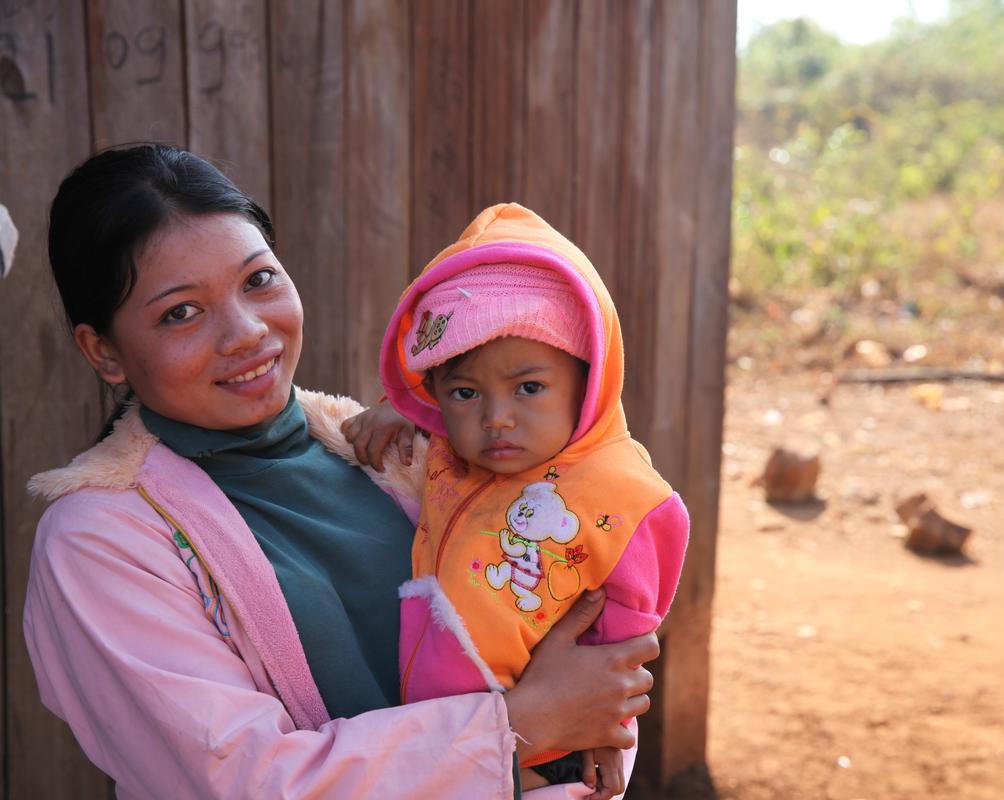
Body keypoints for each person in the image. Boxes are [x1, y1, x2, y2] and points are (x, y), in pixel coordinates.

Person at [22, 144, 657, 799]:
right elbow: (242, 781)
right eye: (181, 311)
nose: (245, 332)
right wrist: (522, 724)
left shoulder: (400, 454)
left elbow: (582, 624)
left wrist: (593, 718)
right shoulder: (99, 543)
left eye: (257, 280)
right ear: (104, 353)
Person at [343, 204, 689, 797]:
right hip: (429, 740)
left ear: (590, 377)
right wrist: (398, 408)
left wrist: (608, 729)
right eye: (465, 391)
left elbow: (628, 632)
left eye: (530, 387)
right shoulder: (451, 448)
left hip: (550, 752)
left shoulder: (625, 497)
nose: (496, 418)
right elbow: (428, 403)